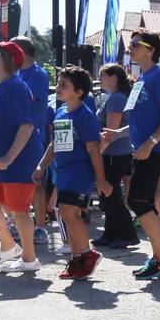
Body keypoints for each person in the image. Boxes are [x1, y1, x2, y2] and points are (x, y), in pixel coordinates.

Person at [106, 30, 160, 280]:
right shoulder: (141, 78)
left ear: (150, 50)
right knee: (141, 202)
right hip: (145, 149)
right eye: (131, 44)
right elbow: (141, 121)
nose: (131, 48)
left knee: (138, 202)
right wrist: (117, 134)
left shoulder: (158, 78)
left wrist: (150, 142)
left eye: (136, 45)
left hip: (155, 149)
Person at [0, 37, 45, 273]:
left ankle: (28, 259)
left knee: (19, 210)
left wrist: (9, 158)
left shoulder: (14, 86)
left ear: (7, 60)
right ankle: (8, 246)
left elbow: (26, 126)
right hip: (2, 163)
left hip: (17, 162)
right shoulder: (0, 88)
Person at [35, 66, 110, 279]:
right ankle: (76, 260)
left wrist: (101, 180)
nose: (58, 88)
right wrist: (41, 165)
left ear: (79, 92)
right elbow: (54, 145)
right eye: (58, 83)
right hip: (64, 171)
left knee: (69, 213)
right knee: (67, 215)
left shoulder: (85, 115)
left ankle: (87, 254)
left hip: (80, 171)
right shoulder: (60, 112)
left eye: (64, 85)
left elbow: (94, 150)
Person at [11, 35, 53, 249]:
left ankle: (41, 227)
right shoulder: (16, 73)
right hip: (16, 134)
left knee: (35, 182)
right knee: (16, 181)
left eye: (11, 50)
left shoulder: (37, 74)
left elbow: (27, 98)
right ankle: (19, 223)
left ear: (21, 51)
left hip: (33, 135)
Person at [93, 63, 139, 248]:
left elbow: (110, 131)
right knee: (108, 195)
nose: (99, 79)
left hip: (113, 152)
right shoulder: (116, 97)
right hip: (119, 152)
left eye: (102, 75)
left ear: (114, 78)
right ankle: (110, 234)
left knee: (110, 195)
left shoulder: (116, 99)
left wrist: (98, 152)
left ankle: (127, 234)